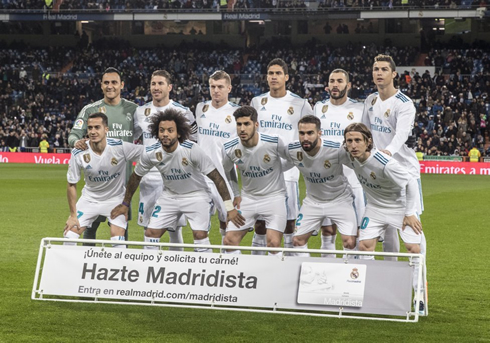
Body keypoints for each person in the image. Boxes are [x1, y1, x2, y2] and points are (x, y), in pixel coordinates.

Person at [111, 109, 244, 252]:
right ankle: (151, 270)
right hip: (170, 196)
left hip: (197, 195)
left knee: (200, 235)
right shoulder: (151, 153)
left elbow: (217, 178)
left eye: (170, 130)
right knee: (150, 234)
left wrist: (229, 208)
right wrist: (125, 204)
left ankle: (205, 271)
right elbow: (136, 177)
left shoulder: (192, 149)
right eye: (161, 130)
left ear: (179, 133)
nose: (165, 134)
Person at [342, 123, 425, 315]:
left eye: (358, 141)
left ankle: (419, 296)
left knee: (414, 249)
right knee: (364, 246)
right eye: (349, 141)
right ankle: (370, 291)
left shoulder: (384, 162)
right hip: (375, 208)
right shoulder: (348, 156)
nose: (353, 145)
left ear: (368, 142)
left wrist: (410, 212)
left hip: (400, 207)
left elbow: (411, 182)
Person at [362, 55, 426, 261]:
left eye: (384, 69)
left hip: (405, 170)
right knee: (386, 225)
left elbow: (402, 134)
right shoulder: (370, 100)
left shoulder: (404, 103)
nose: (379, 73)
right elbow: (365, 131)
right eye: (376, 69)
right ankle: (390, 274)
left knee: (412, 223)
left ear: (394, 74)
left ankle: (420, 274)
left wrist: (387, 152)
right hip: (379, 172)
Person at [250, 58, 313, 254]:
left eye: (278, 73)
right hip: (261, 170)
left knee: (289, 221)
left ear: (286, 77)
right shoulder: (257, 102)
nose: (274, 77)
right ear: (266, 77)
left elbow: (311, 131)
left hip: (288, 171)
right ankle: (257, 266)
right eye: (271, 73)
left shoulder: (300, 104)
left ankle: (290, 263)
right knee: (260, 223)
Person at [68, 67, 138, 243]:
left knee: (120, 223)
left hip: (122, 180)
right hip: (98, 178)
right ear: (101, 85)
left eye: (114, 82)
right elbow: (74, 134)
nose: (110, 86)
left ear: (122, 85)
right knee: (90, 225)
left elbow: (144, 135)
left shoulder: (134, 110)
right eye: (106, 82)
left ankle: (122, 263)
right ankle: (87, 262)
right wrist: (76, 142)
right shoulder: (90, 109)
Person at [133, 70, 197, 249]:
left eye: (160, 83)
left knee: (174, 229)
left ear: (169, 87)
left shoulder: (183, 112)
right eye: (153, 84)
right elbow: (132, 138)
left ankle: (175, 270)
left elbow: (195, 141)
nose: (156, 87)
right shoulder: (140, 112)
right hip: (149, 179)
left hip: (175, 178)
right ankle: (151, 269)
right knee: (148, 229)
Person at [64, 112, 142, 248]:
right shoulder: (79, 152)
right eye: (90, 128)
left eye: (97, 127)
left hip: (115, 199)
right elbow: (71, 184)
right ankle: (76, 268)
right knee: (69, 235)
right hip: (89, 199)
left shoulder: (119, 147)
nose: (93, 131)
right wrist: (72, 215)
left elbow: (148, 153)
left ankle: (118, 268)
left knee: (117, 239)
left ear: (106, 129)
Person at [222, 106, 290, 256]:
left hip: (274, 198)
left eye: (247, 124)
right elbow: (228, 170)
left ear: (256, 125)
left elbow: (291, 159)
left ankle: (273, 278)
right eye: (239, 124)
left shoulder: (274, 142)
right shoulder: (229, 148)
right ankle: (239, 276)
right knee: (229, 241)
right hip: (248, 199)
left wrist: (279, 169)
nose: (242, 129)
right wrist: (236, 194)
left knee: (273, 244)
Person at [285, 115, 357, 257]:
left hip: (340, 200)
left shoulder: (336, 149)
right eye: (302, 133)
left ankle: (347, 277)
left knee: (349, 242)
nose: (305, 138)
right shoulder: (293, 150)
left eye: (310, 133)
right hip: (312, 201)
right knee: (298, 241)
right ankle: (308, 275)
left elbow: (359, 165)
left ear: (319, 133)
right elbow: (278, 165)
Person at [313, 69, 364, 258]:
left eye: (340, 81)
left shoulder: (360, 109)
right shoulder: (319, 108)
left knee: (353, 234)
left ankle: (353, 276)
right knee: (327, 232)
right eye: (332, 81)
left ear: (348, 85)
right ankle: (328, 277)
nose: (335, 84)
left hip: (353, 179)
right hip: (325, 181)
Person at [195, 70, 240, 243]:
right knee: (199, 230)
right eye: (212, 86)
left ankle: (224, 262)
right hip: (201, 179)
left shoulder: (237, 113)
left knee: (227, 222)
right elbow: (193, 135)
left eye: (220, 87)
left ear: (229, 88)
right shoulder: (201, 108)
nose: (216, 90)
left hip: (224, 178)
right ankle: (203, 264)